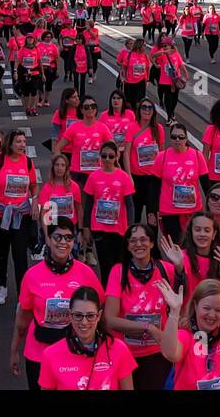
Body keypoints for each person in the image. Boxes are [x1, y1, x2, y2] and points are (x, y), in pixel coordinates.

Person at [10, 218, 104, 390]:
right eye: (57, 237)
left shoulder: (86, 273)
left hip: (75, 351)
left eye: (68, 238)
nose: (63, 242)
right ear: (48, 239)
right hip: (39, 352)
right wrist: (14, 351)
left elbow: (101, 311)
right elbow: (23, 318)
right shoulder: (32, 275)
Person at [104, 223, 177, 390]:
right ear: (128, 246)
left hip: (157, 353)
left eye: (143, 239)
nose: (138, 244)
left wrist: (180, 267)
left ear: (152, 243)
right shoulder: (118, 271)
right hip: (124, 353)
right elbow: (110, 319)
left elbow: (185, 302)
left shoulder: (167, 270)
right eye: (133, 241)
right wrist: (148, 327)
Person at [38, 287, 137, 390]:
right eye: (78, 315)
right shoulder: (50, 355)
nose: (84, 322)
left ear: (98, 316)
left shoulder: (119, 349)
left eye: (90, 316)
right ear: (70, 316)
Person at [0, 129, 38, 306]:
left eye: (24, 141)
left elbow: (34, 186)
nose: (23, 145)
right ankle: (2, 288)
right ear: (10, 144)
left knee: (20, 254)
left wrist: (35, 201)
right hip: (0, 215)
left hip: (21, 215)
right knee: (1, 252)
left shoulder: (28, 162)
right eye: (19, 142)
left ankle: (23, 292)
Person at [81, 139, 136, 283]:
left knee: (118, 266)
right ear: (99, 156)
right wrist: (86, 228)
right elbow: (88, 205)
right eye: (104, 156)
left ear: (116, 157)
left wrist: (130, 227)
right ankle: (107, 298)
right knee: (105, 266)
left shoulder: (123, 177)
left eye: (111, 156)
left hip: (119, 229)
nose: (107, 159)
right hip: (99, 228)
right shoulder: (93, 177)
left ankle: (119, 296)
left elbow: (130, 205)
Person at [157, 120, 207, 242]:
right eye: (174, 137)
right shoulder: (161, 157)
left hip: (192, 211)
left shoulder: (197, 155)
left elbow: (206, 184)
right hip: (169, 211)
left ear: (186, 139)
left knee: (192, 246)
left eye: (181, 137)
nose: (177, 140)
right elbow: (154, 186)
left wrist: (211, 208)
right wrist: (152, 211)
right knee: (175, 246)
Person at [55, 95, 114, 191]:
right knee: (80, 204)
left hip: (97, 173)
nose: (90, 109)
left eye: (93, 106)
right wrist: (61, 167)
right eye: (87, 107)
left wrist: (109, 165)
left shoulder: (102, 127)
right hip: (78, 174)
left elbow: (113, 149)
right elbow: (58, 148)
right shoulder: (74, 127)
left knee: (95, 205)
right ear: (81, 110)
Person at [128, 100, 166, 226]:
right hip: (136, 177)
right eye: (144, 107)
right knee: (136, 212)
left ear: (153, 112)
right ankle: (134, 241)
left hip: (153, 178)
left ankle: (153, 243)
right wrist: (128, 176)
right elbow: (126, 153)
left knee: (152, 213)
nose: (147, 110)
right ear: (139, 110)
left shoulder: (158, 129)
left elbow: (161, 153)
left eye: (150, 108)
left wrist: (163, 176)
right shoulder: (132, 127)